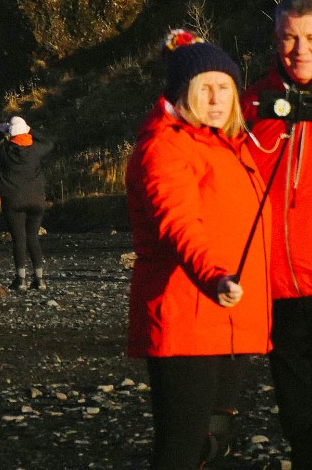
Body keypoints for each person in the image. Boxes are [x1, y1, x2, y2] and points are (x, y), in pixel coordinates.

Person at [130, 31, 271, 469]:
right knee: (181, 447)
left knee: (215, 441)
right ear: (182, 92)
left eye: (224, 87)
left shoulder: (226, 145)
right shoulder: (166, 147)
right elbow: (179, 223)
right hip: (189, 314)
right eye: (204, 88)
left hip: (228, 316)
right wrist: (214, 276)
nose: (216, 98)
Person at [246, 0, 312, 469]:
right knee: (297, 414)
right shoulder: (251, 104)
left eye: (310, 38)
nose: (300, 51)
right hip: (278, 285)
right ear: (275, 37)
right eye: (290, 38)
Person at [0, 115, 53, 290]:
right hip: (36, 199)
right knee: (33, 238)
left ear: (10, 133)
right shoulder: (36, 149)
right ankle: (40, 279)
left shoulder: (5, 151)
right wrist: (30, 130)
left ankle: (21, 279)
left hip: (12, 199)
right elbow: (50, 143)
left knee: (19, 239)